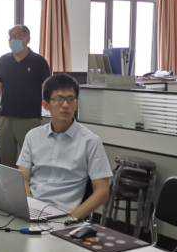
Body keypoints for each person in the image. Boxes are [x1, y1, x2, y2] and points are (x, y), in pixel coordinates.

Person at [18, 74, 112, 220]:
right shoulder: (33, 136)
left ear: (76, 104)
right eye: (59, 99)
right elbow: (23, 178)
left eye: (70, 99)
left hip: (65, 215)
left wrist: (70, 218)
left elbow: (102, 191)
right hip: (33, 210)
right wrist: (27, 207)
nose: (65, 105)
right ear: (46, 105)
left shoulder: (90, 141)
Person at [0, 25, 51, 168]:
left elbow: (46, 89)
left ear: (28, 39)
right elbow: (0, 87)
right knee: (6, 162)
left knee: (30, 161)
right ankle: (9, 184)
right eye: (10, 37)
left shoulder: (39, 61)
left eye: (17, 36)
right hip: (5, 117)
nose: (13, 40)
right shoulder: (3, 61)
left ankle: (28, 184)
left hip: (28, 118)